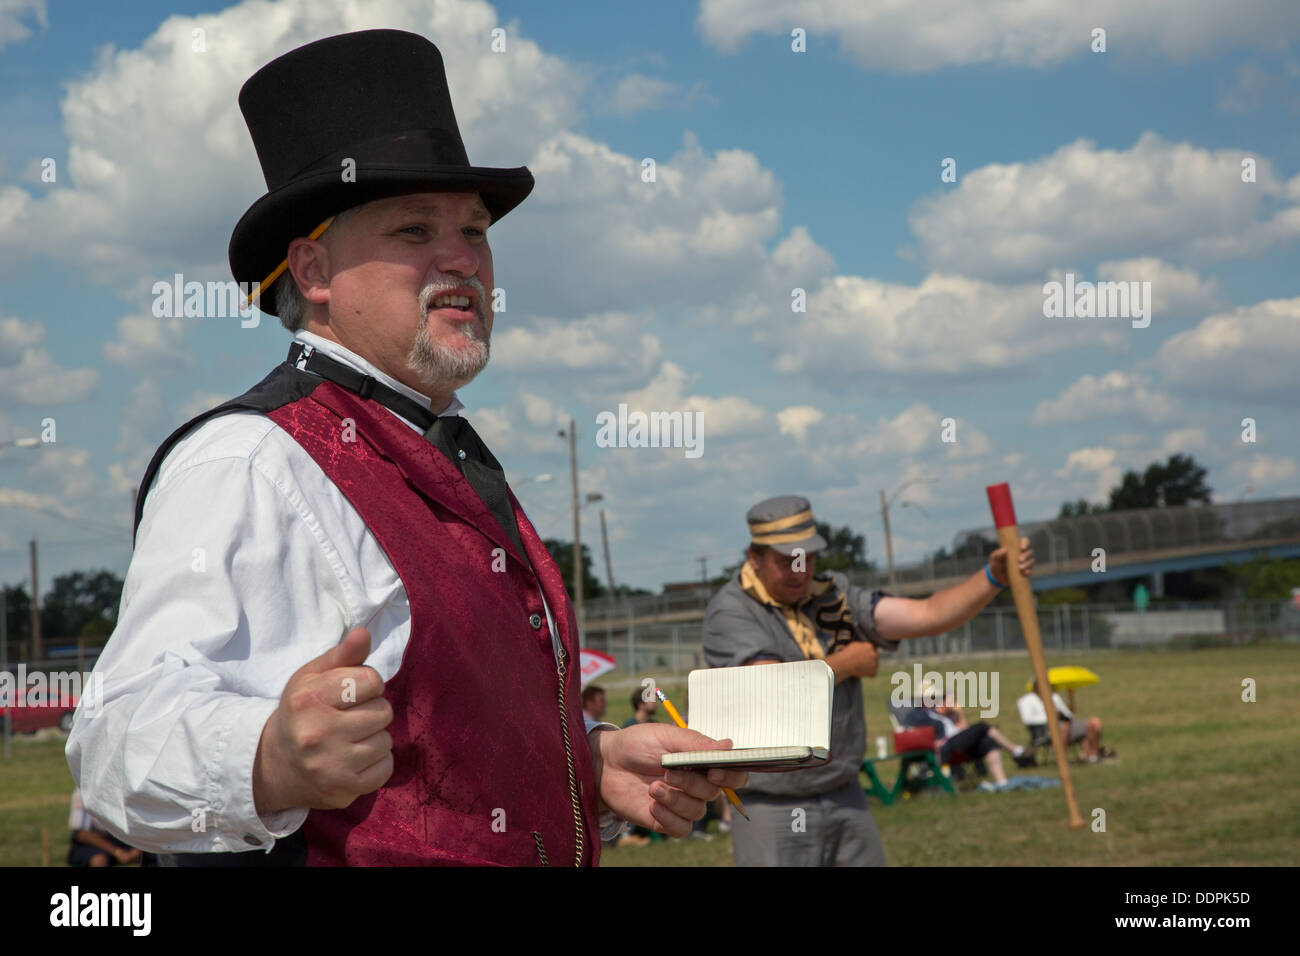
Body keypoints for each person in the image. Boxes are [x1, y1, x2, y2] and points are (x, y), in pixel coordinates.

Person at [66, 30, 744, 867]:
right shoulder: (249, 461)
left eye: (474, 229)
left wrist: (590, 757)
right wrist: (268, 756)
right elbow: (111, 743)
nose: (462, 257)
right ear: (313, 270)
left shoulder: (435, 444)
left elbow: (451, 736)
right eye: (416, 230)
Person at [702, 495, 1034, 866]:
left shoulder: (832, 595)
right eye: (786, 560)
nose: (800, 571)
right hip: (771, 801)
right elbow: (771, 687)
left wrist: (991, 578)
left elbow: (928, 614)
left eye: (808, 558)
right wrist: (848, 662)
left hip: (844, 789)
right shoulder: (731, 610)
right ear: (755, 557)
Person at [904, 684, 1036, 790]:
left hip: (956, 742)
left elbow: (958, 725)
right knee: (981, 726)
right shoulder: (917, 715)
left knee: (988, 742)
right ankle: (1015, 750)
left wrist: (957, 713)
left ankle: (1002, 782)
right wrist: (933, 743)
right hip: (946, 747)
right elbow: (913, 734)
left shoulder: (935, 712)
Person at [1017, 681, 1110, 762]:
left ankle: (1093, 756)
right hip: (1043, 730)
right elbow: (1028, 720)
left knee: (1094, 722)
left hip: (1066, 724)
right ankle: (1062, 758)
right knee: (1064, 727)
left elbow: (1069, 715)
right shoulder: (1026, 700)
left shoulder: (1054, 697)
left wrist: (1069, 702)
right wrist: (1050, 717)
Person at [67, 788, 141, 868]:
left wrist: (138, 848)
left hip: (126, 838)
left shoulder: (126, 787)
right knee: (99, 860)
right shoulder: (84, 790)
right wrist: (117, 852)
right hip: (96, 841)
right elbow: (81, 833)